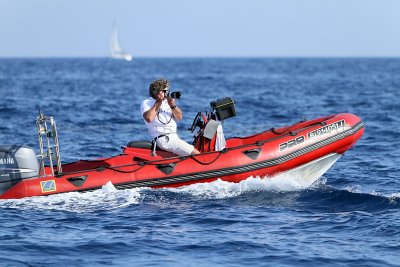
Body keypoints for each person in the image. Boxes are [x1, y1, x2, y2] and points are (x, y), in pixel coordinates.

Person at [141, 79, 200, 156]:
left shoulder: (167, 102)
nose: (167, 93)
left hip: (174, 137)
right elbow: (149, 118)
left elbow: (179, 117)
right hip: (163, 139)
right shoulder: (147, 102)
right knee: (197, 154)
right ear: (157, 92)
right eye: (164, 91)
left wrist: (172, 105)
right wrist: (158, 101)